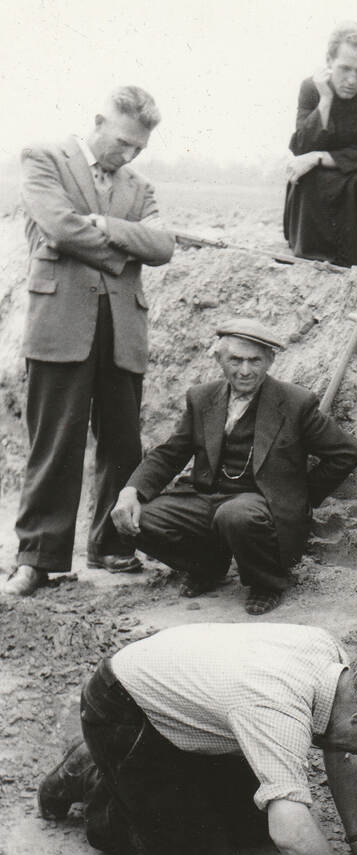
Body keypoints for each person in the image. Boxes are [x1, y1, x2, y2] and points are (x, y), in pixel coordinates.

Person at [37, 622, 357, 855]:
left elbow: (342, 752)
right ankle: (93, 774)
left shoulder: (336, 664)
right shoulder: (276, 709)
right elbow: (291, 835)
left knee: (256, 825)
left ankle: (149, 775)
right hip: (123, 710)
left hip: (183, 701)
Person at [4, 87, 175, 598]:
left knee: (122, 443)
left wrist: (101, 224)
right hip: (59, 325)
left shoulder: (139, 187)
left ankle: (113, 546)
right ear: (99, 121)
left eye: (139, 148)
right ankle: (38, 559)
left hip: (123, 330)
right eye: (123, 142)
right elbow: (57, 227)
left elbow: (163, 245)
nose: (129, 155)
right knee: (55, 443)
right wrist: (124, 248)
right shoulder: (44, 159)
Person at [110, 317, 357, 616]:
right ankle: (207, 567)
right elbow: (169, 453)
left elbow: (346, 452)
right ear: (219, 359)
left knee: (235, 515)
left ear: (269, 360)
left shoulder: (295, 403)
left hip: (261, 504)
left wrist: (302, 495)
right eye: (236, 360)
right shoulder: (201, 397)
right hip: (207, 498)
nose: (245, 370)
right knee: (136, 520)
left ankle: (267, 582)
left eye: (254, 360)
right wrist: (131, 492)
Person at [284, 21, 357, 267]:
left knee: (356, 183)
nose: (352, 79)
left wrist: (319, 157)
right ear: (328, 61)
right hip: (321, 178)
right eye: (345, 68)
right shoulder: (312, 88)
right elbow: (302, 148)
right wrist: (325, 99)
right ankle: (307, 259)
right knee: (306, 177)